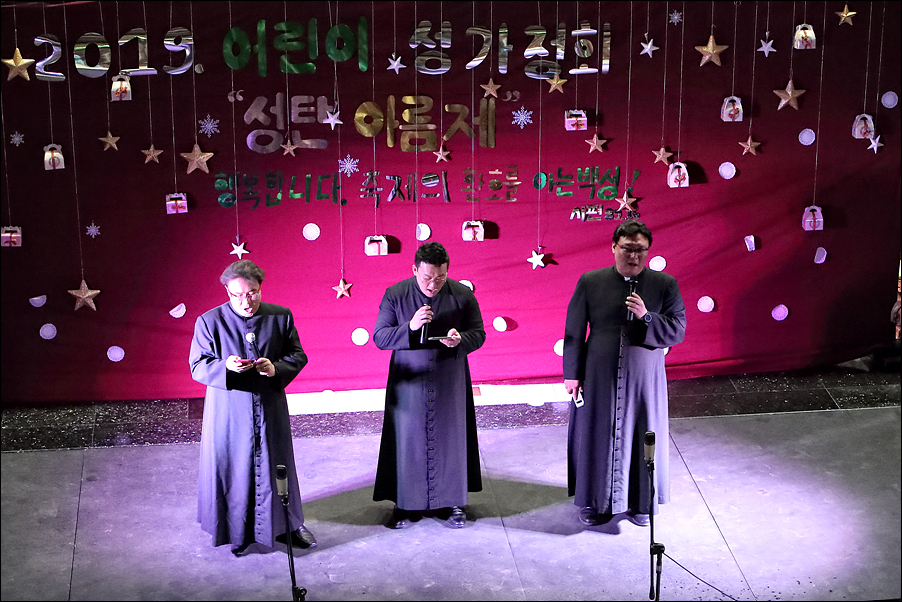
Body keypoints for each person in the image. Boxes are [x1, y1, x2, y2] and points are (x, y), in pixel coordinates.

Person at [189, 260, 317, 556]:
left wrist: (276, 368)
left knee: (278, 464)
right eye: (238, 295)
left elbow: (297, 355)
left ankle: (289, 524)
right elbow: (198, 366)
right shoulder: (209, 321)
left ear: (261, 288)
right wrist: (225, 366)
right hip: (229, 411)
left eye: (252, 294)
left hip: (269, 406)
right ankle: (238, 530)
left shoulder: (280, 316)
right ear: (227, 292)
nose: (246, 302)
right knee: (234, 467)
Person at [563, 220, 686, 527]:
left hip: (644, 379)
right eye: (628, 249)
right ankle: (596, 502)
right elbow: (574, 330)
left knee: (645, 434)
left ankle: (642, 503)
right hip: (599, 374)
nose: (634, 256)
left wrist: (647, 317)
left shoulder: (665, 284)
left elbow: (678, 330)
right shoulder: (591, 281)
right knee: (597, 433)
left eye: (641, 250)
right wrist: (572, 374)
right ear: (614, 247)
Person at [373, 242, 486, 529]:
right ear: (414, 270)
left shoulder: (463, 294)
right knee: (407, 441)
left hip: (450, 380)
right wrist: (410, 327)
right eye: (427, 278)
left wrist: (460, 339)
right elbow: (380, 337)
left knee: (451, 439)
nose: (433, 285)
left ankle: (453, 502)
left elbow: (479, 334)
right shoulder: (395, 294)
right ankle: (405, 503)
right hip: (409, 382)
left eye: (440, 277)